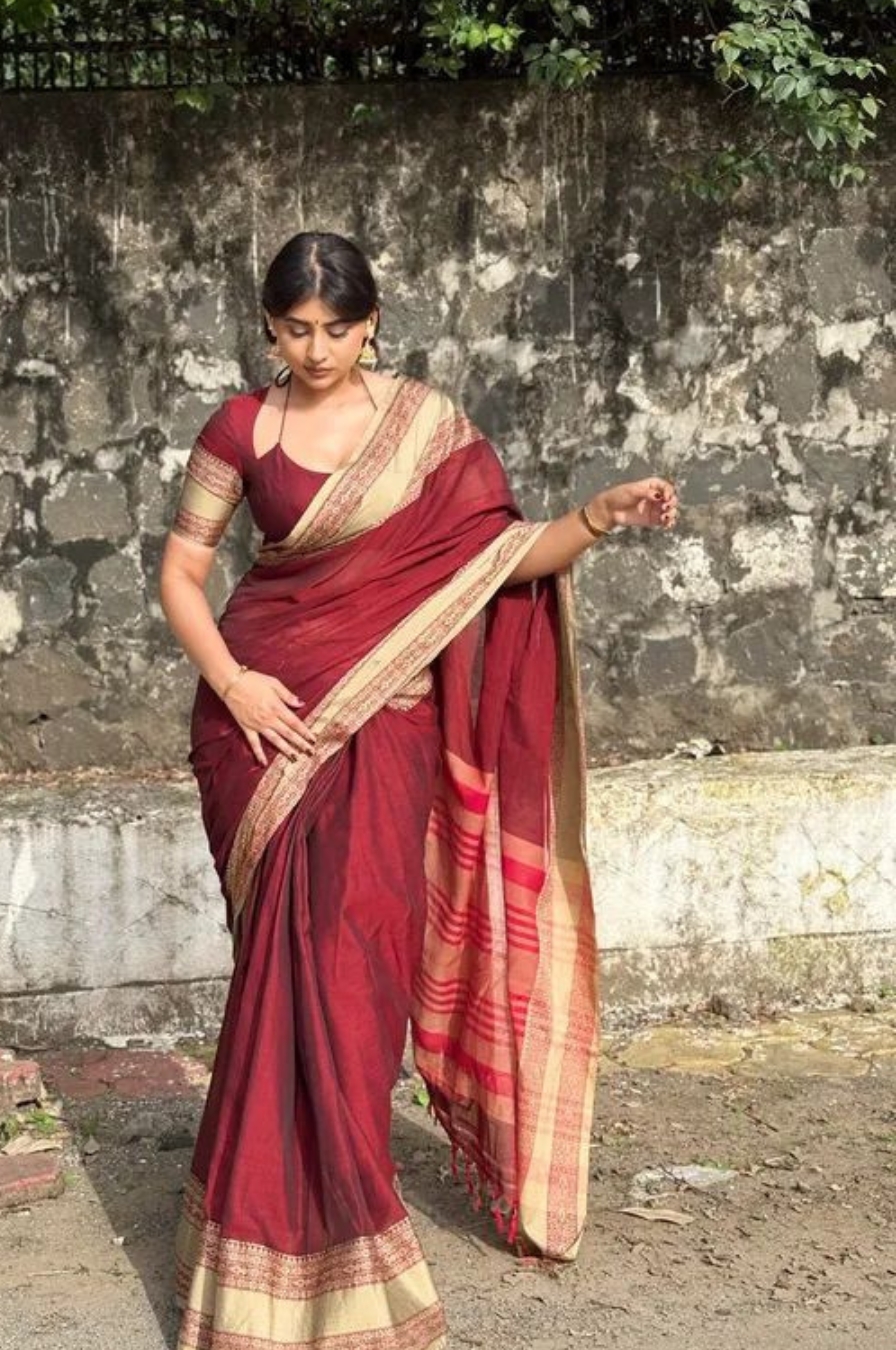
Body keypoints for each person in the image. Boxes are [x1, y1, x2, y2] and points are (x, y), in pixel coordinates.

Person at [158, 230, 679, 1350]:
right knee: (280, 977)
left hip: (384, 727)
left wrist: (595, 519)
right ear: (269, 327)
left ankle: (340, 1228)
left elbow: (498, 562)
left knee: (354, 970)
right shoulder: (240, 428)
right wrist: (236, 683)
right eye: (294, 329)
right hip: (260, 725)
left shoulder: (429, 430)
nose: (315, 350)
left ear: (373, 325)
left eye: (336, 329)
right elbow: (183, 573)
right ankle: (262, 1239)